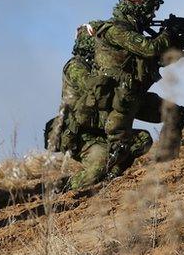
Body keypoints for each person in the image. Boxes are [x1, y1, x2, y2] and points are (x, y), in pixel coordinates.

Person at [87, 0, 184, 177]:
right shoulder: (116, 30)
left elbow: (153, 60)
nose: (151, 15)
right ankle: (85, 188)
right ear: (135, 8)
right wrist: (168, 33)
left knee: (175, 113)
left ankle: (164, 165)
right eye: (148, 10)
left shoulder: (129, 33)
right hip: (118, 103)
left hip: (133, 97)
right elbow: (149, 49)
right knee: (121, 151)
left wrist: (179, 43)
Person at [46, 20, 153, 189]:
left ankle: (112, 174)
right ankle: (65, 187)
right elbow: (93, 88)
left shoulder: (100, 66)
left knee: (142, 140)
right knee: (100, 163)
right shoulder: (75, 66)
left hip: (102, 128)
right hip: (81, 134)